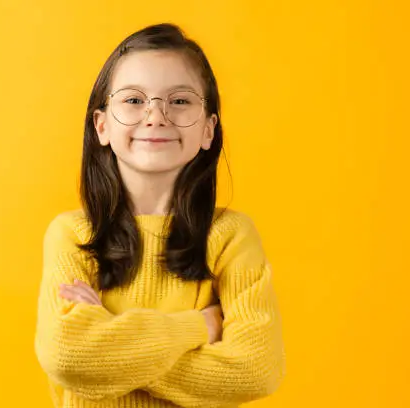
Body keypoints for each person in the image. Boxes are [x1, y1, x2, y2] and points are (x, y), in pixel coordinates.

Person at [34, 23, 286, 408]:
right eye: (134, 100)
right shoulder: (73, 234)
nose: (155, 117)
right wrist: (199, 326)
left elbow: (256, 370)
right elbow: (68, 356)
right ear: (102, 125)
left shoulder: (231, 236)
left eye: (180, 101)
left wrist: (111, 346)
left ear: (208, 129)